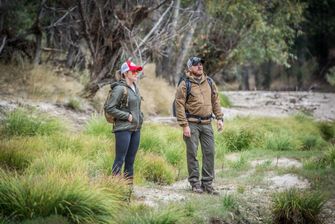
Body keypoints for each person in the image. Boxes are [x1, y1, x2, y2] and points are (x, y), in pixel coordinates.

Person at [175, 56, 224, 194]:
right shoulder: (185, 84)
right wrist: (184, 125)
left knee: (209, 153)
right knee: (192, 154)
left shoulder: (209, 81)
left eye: (201, 64)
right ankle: (195, 183)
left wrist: (219, 118)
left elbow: (216, 100)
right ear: (190, 68)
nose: (200, 66)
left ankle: (207, 183)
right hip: (192, 124)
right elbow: (179, 105)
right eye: (196, 64)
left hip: (207, 123)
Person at [105, 60, 144, 185]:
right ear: (125, 73)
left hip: (136, 129)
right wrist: (127, 116)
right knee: (120, 159)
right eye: (133, 71)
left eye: (137, 71)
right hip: (123, 129)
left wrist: (140, 118)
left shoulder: (135, 88)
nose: (136, 73)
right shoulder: (119, 89)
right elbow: (109, 108)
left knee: (130, 161)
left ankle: (128, 190)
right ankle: (115, 188)